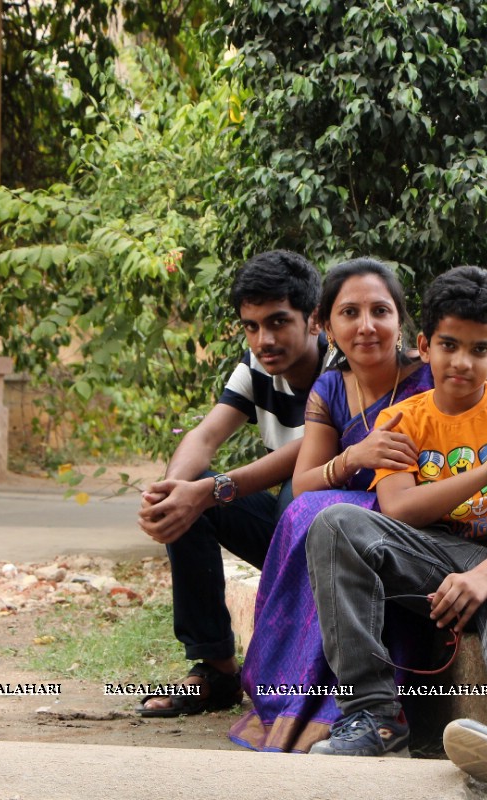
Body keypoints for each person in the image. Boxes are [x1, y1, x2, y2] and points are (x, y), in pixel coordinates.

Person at [305, 266, 487, 800]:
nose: (462, 362)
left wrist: (484, 577)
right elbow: (398, 508)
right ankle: (375, 719)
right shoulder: (400, 419)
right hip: (447, 556)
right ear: (423, 345)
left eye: (479, 349)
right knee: (335, 525)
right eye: (449, 344)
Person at [230, 257, 433, 752]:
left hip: (420, 522)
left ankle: (357, 710)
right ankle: (300, 700)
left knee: (329, 518)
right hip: (345, 521)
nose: (366, 326)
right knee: (310, 512)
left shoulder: (431, 378)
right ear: (326, 324)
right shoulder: (330, 388)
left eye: (380, 311)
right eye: (350, 313)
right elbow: (304, 484)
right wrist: (353, 458)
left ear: (401, 321)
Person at [136, 249, 325, 717]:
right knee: (188, 495)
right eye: (252, 326)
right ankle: (217, 670)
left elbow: (311, 452)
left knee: (295, 494)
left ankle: (304, 671)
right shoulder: (256, 367)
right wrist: (171, 492)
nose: (264, 339)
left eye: (278, 322)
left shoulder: (343, 365)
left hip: (340, 537)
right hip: (288, 535)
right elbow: (206, 434)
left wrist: (209, 490)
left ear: (314, 320)